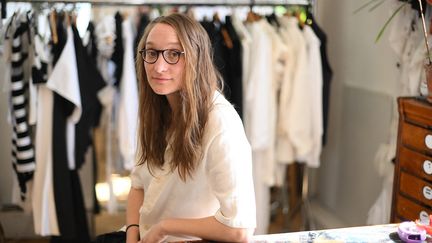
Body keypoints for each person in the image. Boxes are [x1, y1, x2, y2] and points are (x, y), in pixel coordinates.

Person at [126, 13, 256, 243]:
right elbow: (138, 186)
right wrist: (132, 231)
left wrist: (164, 227)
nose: (159, 67)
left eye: (174, 54)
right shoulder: (155, 109)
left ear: (196, 58)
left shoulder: (220, 123)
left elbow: (240, 229)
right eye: (152, 53)